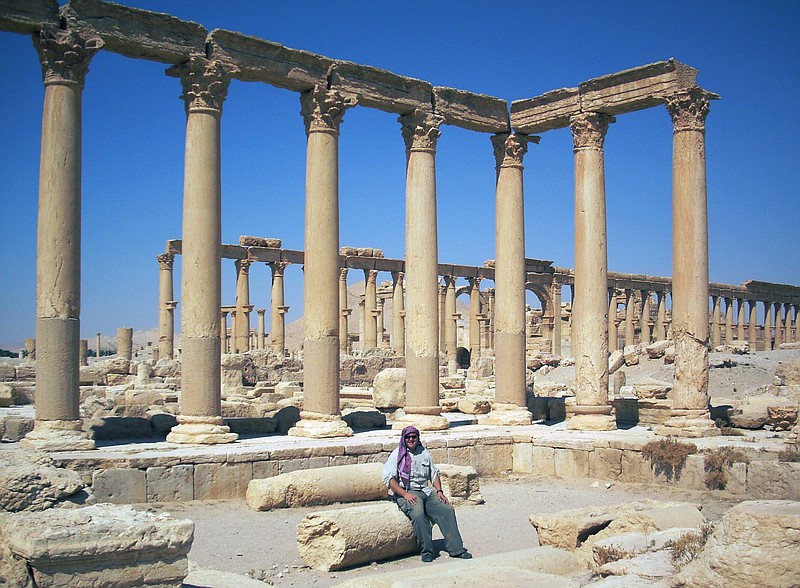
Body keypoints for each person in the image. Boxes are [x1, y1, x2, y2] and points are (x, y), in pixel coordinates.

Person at [382, 425, 472, 563]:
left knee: (447, 510)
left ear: (418, 438)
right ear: (404, 439)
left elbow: (433, 473)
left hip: (425, 490)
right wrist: (405, 494)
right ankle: (427, 551)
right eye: (408, 437)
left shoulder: (424, 452)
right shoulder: (397, 454)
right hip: (406, 491)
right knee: (418, 514)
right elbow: (389, 479)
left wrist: (439, 491)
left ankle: (457, 549)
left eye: (414, 437)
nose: (411, 439)